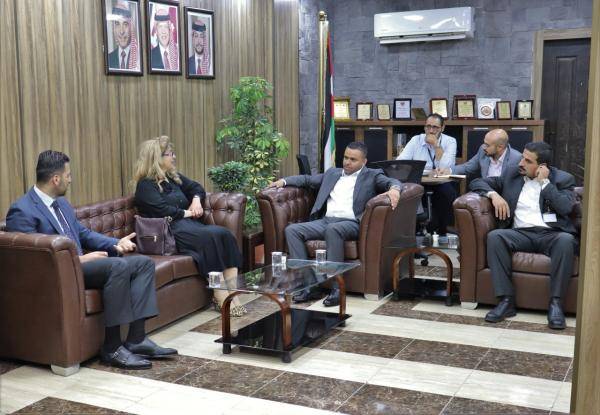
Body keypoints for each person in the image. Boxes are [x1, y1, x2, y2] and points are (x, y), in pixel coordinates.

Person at [6, 150, 177, 370]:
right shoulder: (22, 210)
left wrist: (115, 243)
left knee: (142, 263)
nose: (70, 179)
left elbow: (83, 234)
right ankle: (112, 348)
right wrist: (79, 260)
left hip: (80, 266)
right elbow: (32, 262)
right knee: (117, 267)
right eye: (68, 175)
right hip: (61, 275)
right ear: (55, 179)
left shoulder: (61, 204)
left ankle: (137, 339)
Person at [268, 142, 402, 306]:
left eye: (353, 159)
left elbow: (392, 181)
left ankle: (337, 288)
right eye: (346, 157)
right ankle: (309, 285)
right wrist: (283, 181)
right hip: (326, 221)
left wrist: (395, 189)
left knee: (333, 230)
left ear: (364, 162)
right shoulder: (332, 173)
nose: (347, 162)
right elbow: (307, 179)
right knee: (292, 230)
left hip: (351, 223)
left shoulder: (372, 175)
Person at [133, 136, 247, 317]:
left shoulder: (172, 177)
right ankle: (219, 295)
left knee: (224, 234)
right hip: (170, 231)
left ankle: (233, 295)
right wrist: (189, 212)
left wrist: (196, 201)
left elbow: (196, 187)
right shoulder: (145, 185)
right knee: (211, 237)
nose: (174, 157)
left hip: (189, 225)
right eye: (170, 154)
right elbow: (163, 210)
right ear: (157, 158)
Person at [470, 142, 577, 329]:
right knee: (495, 236)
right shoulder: (512, 174)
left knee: (566, 240)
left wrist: (545, 183)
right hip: (520, 233)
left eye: (528, 161)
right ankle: (506, 301)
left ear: (542, 166)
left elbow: (565, 207)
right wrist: (494, 195)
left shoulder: (563, 179)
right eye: (522, 158)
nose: (521, 163)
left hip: (551, 234)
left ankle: (556, 304)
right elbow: (477, 182)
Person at [397, 113, 457, 235]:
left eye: (435, 127)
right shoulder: (416, 140)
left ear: (442, 128)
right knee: (408, 192)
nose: (431, 131)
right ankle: (411, 231)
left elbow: (445, 167)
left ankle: (442, 230)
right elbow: (401, 162)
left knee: (448, 193)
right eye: (428, 126)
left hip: (440, 182)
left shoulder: (450, 141)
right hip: (419, 181)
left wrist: (436, 146)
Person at [438, 129, 522, 179]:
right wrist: (449, 170)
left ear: (500, 147)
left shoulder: (516, 159)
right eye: (484, 143)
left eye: (487, 145)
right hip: (486, 191)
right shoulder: (483, 151)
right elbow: (468, 167)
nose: (484, 147)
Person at [107, 0, 140, 71]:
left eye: (125, 24)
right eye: (117, 24)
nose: (121, 31)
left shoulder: (139, 58)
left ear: (131, 27)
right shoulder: (108, 58)